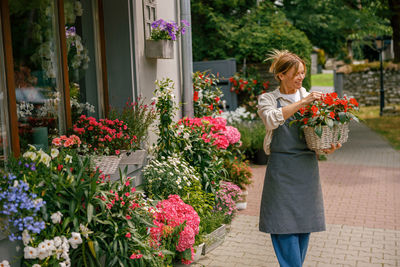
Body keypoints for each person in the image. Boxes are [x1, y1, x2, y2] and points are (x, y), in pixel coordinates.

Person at [257, 49, 341, 267]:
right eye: (295, 73)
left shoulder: (310, 97)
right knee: (282, 224)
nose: (300, 77)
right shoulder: (268, 99)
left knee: (304, 226)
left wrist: (327, 149)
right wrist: (304, 103)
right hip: (281, 170)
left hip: (306, 169)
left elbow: (316, 137)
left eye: (302, 73)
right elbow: (271, 120)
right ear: (281, 75)